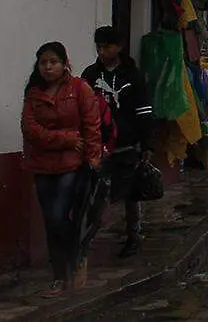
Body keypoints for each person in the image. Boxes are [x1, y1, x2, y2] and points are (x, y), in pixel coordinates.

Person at [21, 42, 102, 297]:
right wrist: (66, 138)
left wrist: (93, 158)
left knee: (59, 215)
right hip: (42, 165)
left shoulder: (79, 89)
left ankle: (76, 260)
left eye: (53, 61)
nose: (48, 67)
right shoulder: (33, 93)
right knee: (50, 222)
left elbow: (92, 125)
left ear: (64, 63)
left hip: (71, 165)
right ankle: (60, 276)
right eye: (43, 62)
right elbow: (30, 129)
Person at [81, 26, 154, 258]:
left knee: (131, 194)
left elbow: (144, 110)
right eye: (99, 47)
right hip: (99, 144)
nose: (103, 51)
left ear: (119, 47)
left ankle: (133, 236)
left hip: (127, 142)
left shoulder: (133, 76)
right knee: (95, 192)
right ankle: (85, 240)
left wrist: (147, 143)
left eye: (107, 46)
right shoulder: (91, 75)